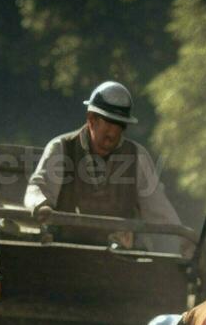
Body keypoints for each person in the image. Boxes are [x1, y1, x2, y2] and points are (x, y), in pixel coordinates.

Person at [25, 80, 183, 251]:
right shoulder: (61, 148)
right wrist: (41, 206)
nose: (112, 133)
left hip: (119, 260)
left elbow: (161, 213)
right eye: (107, 122)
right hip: (64, 254)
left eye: (119, 125)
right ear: (91, 119)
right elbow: (38, 187)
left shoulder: (137, 157)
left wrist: (188, 246)